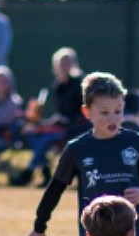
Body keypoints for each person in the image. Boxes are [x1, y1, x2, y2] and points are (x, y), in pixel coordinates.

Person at [28, 71, 139, 236]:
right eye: (104, 112)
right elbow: (55, 189)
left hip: (133, 235)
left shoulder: (135, 142)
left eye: (118, 110)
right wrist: (39, 226)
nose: (112, 118)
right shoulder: (77, 148)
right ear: (87, 112)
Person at [19, 47, 90, 186]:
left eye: (67, 62)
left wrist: (63, 122)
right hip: (63, 127)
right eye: (61, 63)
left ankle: (30, 172)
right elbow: (60, 114)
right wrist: (44, 122)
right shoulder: (57, 86)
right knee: (33, 135)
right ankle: (45, 172)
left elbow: (83, 112)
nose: (64, 66)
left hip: (76, 129)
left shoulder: (79, 84)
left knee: (44, 141)